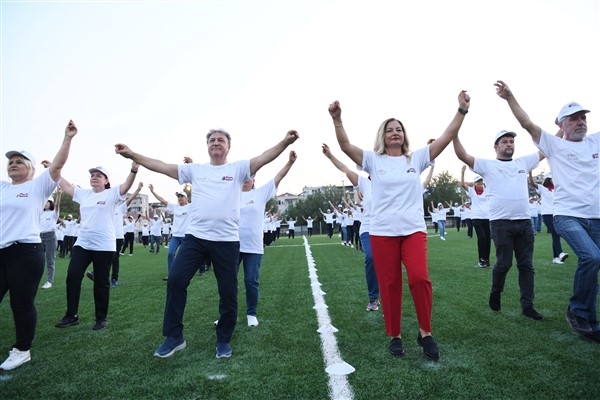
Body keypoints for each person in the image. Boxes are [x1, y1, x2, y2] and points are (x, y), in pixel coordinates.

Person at [115, 127, 299, 359]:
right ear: (207, 146)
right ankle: (174, 337)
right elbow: (161, 165)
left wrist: (284, 142)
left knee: (228, 292)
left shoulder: (239, 168)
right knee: (175, 280)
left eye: (221, 140)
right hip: (196, 238)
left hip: (227, 241)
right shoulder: (196, 170)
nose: (216, 142)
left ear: (228, 147)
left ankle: (223, 340)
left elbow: (264, 157)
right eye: (212, 140)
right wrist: (132, 155)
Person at [328, 90, 471, 360]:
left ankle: (425, 332)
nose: (395, 133)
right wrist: (338, 119)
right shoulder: (372, 160)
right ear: (383, 136)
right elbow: (346, 146)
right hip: (382, 233)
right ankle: (395, 335)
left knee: (419, 278)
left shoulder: (415, 159)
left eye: (399, 130)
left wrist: (461, 110)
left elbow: (445, 137)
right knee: (390, 284)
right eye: (390, 130)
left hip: (413, 231)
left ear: (404, 135)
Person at [496, 80, 600, 341]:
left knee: (596, 261)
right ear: (561, 124)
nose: (580, 122)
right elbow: (527, 124)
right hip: (567, 215)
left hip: (596, 217)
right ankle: (579, 312)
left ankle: (586, 315)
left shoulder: (595, 142)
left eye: (582, 118)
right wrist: (510, 97)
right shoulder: (555, 145)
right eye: (573, 119)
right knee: (592, 258)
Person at [0, 120, 77, 371]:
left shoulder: (37, 186)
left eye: (19, 161)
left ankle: (22, 350)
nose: (13, 164)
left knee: (20, 304)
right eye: (11, 161)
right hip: (2, 252)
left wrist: (67, 138)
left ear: (31, 169)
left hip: (26, 252)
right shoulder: (2, 187)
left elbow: (58, 166)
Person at [453, 127, 544, 321]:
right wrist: (454, 134)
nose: (509, 144)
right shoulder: (487, 165)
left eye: (511, 141)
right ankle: (496, 291)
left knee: (526, 265)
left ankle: (527, 306)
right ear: (496, 146)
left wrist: (561, 129)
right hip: (501, 224)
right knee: (504, 263)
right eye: (505, 141)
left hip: (524, 222)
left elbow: (548, 148)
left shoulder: (523, 162)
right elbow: (462, 155)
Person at [55, 162, 137, 331]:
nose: (94, 177)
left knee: (101, 282)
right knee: (73, 275)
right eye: (92, 175)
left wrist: (134, 169)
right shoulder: (84, 194)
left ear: (106, 180)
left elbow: (127, 184)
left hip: (104, 245)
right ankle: (72, 316)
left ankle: (101, 318)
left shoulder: (112, 193)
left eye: (99, 175)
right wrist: (54, 169)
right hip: (83, 243)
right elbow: (64, 184)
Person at [239, 151, 297, 327]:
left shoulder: (261, 193)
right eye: (244, 176)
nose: (247, 179)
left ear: (254, 179)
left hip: (254, 246)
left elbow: (278, 177)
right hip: (232, 245)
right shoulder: (231, 194)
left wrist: (290, 163)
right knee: (226, 283)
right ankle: (226, 314)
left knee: (251, 280)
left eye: (250, 176)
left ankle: (251, 313)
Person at [322, 143, 380, 311]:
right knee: (371, 258)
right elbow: (345, 169)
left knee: (388, 265)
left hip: (388, 228)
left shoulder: (391, 180)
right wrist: (330, 155)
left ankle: (389, 298)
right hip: (368, 228)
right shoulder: (364, 183)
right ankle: (373, 297)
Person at [88, 180, 143, 287]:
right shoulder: (102, 206)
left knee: (114, 257)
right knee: (101, 256)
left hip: (117, 237)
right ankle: (99, 274)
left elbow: (130, 199)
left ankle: (114, 279)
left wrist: (138, 190)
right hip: (105, 236)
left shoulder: (120, 208)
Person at [148, 184, 191, 280]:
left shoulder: (190, 207)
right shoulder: (175, 207)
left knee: (185, 257)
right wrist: (152, 192)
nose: (180, 198)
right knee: (171, 253)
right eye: (178, 197)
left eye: (182, 197)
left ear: (186, 198)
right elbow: (162, 200)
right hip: (175, 236)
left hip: (186, 237)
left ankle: (187, 274)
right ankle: (171, 274)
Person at [528, 172, 568, 264]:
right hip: (547, 214)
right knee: (555, 232)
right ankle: (560, 253)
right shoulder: (543, 189)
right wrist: (530, 173)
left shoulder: (556, 190)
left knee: (556, 234)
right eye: (552, 178)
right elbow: (533, 183)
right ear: (548, 180)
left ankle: (555, 258)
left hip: (556, 214)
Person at [461, 166, 491, 267]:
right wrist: (462, 172)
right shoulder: (472, 191)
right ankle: (481, 259)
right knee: (482, 237)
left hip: (487, 217)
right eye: (478, 181)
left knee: (487, 238)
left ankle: (487, 259)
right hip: (476, 217)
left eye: (481, 181)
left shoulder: (487, 190)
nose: (480, 183)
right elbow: (462, 184)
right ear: (474, 183)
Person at [39, 182, 62, 289]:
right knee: (37, 259)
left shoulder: (54, 213)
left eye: (47, 202)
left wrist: (59, 195)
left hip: (50, 237)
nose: (45, 203)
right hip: (39, 237)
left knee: (50, 259)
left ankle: (49, 281)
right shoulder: (40, 213)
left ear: (50, 203)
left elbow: (57, 205)